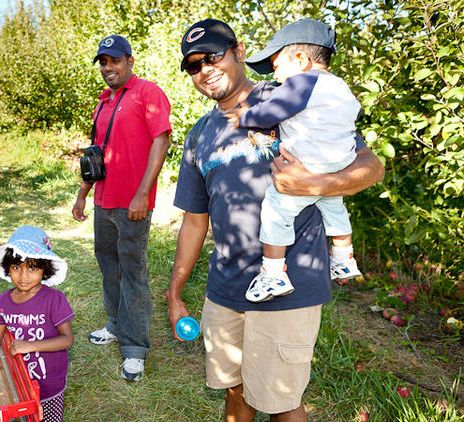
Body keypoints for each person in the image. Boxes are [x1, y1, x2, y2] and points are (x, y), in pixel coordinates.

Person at [166, 19, 384, 420]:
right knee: (235, 390)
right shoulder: (199, 135)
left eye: (213, 56)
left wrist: (319, 182)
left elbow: (371, 167)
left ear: (240, 52)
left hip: (288, 285)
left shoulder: (294, 95)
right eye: (193, 65)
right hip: (225, 287)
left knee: (281, 404)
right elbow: (195, 221)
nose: (204, 69)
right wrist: (175, 292)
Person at [222, 18, 363, 303]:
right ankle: (344, 257)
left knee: (275, 210)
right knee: (334, 206)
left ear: (301, 60)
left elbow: (272, 111)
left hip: (308, 164)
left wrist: (244, 117)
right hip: (340, 161)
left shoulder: (302, 82)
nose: (276, 77)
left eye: (277, 66)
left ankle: (273, 274)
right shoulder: (341, 87)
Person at [72, 34, 171, 381]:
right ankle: (115, 324)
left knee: (134, 273)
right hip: (103, 201)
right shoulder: (104, 102)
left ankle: (135, 349)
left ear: (129, 61)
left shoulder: (148, 93)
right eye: (103, 62)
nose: (108, 67)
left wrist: (143, 193)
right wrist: (84, 193)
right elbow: (96, 155)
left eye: (114, 60)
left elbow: (162, 139)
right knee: (109, 268)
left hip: (133, 204)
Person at [0, 225, 74, 422]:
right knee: (27, 415)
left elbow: (67, 339)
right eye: (17, 267)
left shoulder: (54, 299)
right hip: (23, 377)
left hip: (50, 381)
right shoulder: (3, 301)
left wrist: (30, 345)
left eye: (32, 268)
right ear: (8, 267)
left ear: (44, 270)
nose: (24, 276)